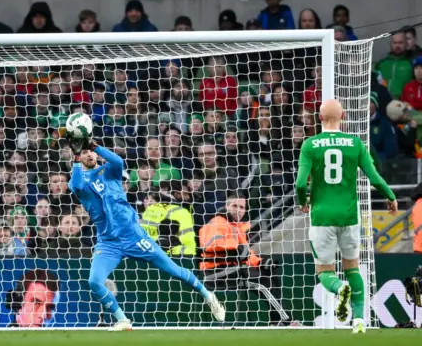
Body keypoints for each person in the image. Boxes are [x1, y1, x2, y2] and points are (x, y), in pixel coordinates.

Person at [66, 133, 225, 331]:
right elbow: (76, 185)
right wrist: (74, 155)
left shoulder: (110, 171)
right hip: (108, 242)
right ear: (79, 157)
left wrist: (94, 145)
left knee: (173, 270)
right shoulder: (79, 181)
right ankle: (122, 319)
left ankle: (208, 296)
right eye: (84, 153)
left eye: (90, 151)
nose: (88, 154)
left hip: (133, 235)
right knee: (94, 282)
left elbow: (118, 160)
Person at [295, 99, 397, 334]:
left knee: (325, 272)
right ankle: (359, 320)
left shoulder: (310, 144)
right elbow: (375, 178)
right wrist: (390, 196)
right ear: (345, 115)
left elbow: (300, 183)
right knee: (352, 267)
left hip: (322, 216)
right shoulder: (355, 143)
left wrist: (303, 201)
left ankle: (340, 288)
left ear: (319, 118)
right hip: (350, 216)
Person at [199, 193, 298, 326]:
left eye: (242, 207)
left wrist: (260, 262)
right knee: (262, 281)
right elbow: (210, 246)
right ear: (226, 206)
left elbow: (246, 253)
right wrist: (236, 248)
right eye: (234, 206)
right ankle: (287, 321)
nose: (238, 210)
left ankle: (276, 321)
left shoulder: (235, 227)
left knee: (270, 273)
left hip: (233, 270)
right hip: (216, 272)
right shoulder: (216, 223)